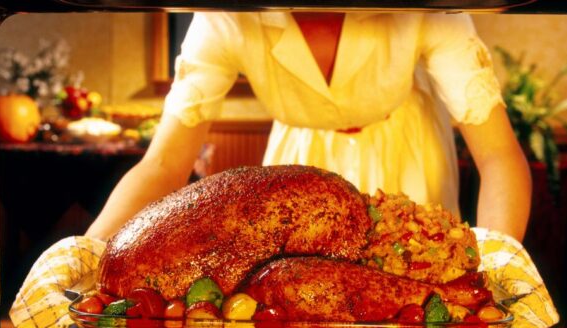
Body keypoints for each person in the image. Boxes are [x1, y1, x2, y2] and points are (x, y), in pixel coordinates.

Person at [85, 11, 532, 242]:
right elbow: (164, 162)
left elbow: (497, 154)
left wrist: (500, 257)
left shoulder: (427, 9)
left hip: (404, 147)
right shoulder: (226, 17)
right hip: (298, 156)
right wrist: (90, 248)